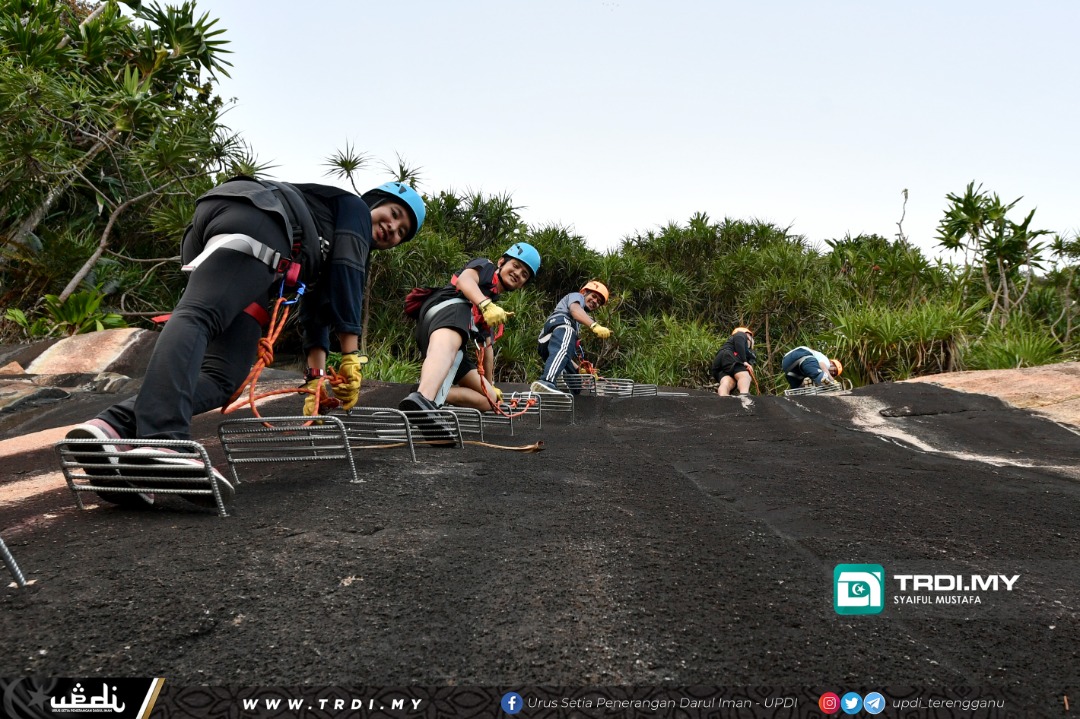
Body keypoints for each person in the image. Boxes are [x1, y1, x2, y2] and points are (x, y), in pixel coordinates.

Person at [65, 177, 425, 507]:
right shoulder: (354, 209)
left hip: (253, 248)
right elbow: (349, 276)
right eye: (394, 214)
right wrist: (352, 356)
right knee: (200, 315)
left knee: (224, 375)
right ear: (375, 201)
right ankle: (162, 439)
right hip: (257, 219)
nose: (392, 228)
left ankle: (112, 428)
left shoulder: (332, 242)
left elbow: (317, 311)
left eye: (401, 233)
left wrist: (315, 378)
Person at [399, 242, 541, 420]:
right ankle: (424, 397)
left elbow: (487, 348)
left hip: (452, 339)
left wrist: (490, 385)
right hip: (445, 312)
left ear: (522, 284)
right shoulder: (486, 267)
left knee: (489, 399)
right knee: (453, 332)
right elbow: (464, 280)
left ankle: (428, 396)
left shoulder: (490, 305)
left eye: (524, 274)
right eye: (515, 265)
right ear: (501, 262)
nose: (518, 273)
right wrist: (485, 304)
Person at [530, 280, 612, 394]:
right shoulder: (576, 297)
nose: (595, 301)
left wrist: (579, 370)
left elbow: (563, 352)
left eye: (598, 302)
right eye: (593, 296)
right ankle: (547, 381)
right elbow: (574, 309)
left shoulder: (576, 324)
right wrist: (594, 325)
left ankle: (564, 387)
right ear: (584, 292)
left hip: (550, 346)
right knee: (568, 331)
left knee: (576, 383)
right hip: (556, 330)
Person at [711, 326, 757, 396]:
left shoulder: (731, 344)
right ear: (748, 335)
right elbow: (739, 344)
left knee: (728, 381)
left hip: (719, 363)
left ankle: (723, 396)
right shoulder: (741, 334)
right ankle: (744, 395)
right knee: (744, 376)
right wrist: (744, 361)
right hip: (728, 355)